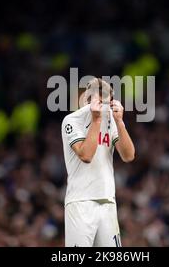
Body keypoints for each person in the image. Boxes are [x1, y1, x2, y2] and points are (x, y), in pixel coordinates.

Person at [61, 78, 135, 247]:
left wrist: (120, 122)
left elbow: (128, 155)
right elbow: (86, 155)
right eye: (99, 100)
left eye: (107, 101)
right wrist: (96, 121)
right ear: (88, 100)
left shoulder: (110, 119)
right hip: (80, 202)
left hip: (107, 200)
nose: (104, 106)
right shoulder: (72, 120)